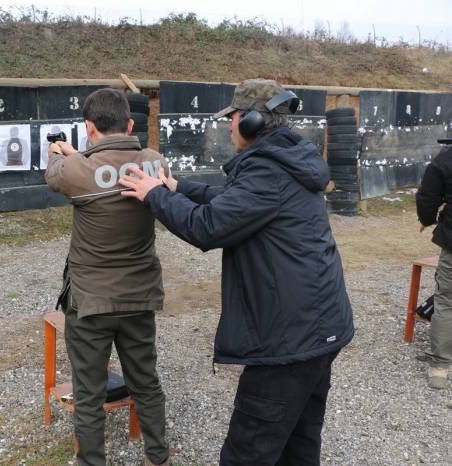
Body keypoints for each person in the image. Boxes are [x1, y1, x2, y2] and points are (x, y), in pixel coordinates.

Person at [119, 79, 355, 465]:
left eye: (234, 118)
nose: (229, 126)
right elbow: (233, 203)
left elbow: (208, 226)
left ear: (252, 122)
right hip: (318, 329)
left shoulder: (267, 171)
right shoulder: (286, 160)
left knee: (249, 451)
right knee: (298, 443)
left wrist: (154, 195)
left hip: (288, 342)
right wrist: (178, 187)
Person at [45, 88, 170, 466]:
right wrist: (81, 154)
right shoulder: (154, 161)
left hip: (90, 302)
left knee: (88, 391)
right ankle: (158, 457)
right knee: (146, 382)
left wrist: (60, 153)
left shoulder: (73, 169)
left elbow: (56, 175)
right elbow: (113, 167)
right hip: (139, 296)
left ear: (88, 127)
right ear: (130, 124)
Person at [416, 140, 452, 389]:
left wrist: (427, 219)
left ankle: (440, 366)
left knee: (447, 302)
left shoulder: (445, 159)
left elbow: (427, 197)